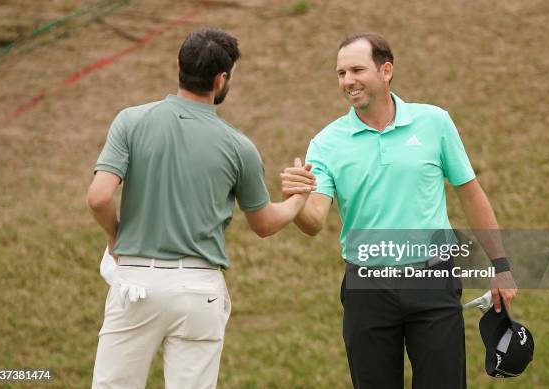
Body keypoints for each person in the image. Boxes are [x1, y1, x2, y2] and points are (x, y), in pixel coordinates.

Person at [281, 32, 517, 389]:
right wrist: (297, 202)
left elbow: (471, 194)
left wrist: (500, 266)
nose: (348, 81)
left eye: (357, 69)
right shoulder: (326, 143)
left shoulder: (434, 123)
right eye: (341, 73)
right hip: (367, 288)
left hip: (433, 281)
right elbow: (314, 221)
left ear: (386, 70)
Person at [86, 28, 314, 389]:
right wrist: (297, 201)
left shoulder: (130, 121)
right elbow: (265, 224)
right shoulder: (240, 147)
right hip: (199, 289)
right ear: (222, 79)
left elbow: (98, 197)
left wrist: (116, 235)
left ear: (178, 65)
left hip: (136, 283)